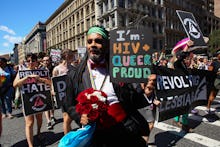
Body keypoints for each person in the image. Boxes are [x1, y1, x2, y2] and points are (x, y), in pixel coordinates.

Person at [64, 25, 151, 146]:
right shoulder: (74, 75)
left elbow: (133, 100)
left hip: (124, 130)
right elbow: (68, 104)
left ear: (106, 44)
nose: (93, 44)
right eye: (89, 41)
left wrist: (146, 93)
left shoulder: (121, 68)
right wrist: (80, 117)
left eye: (98, 41)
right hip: (95, 135)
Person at [13, 53, 51, 147]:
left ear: (36, 61)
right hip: (27, 99)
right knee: (29, 123)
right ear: (26, 62)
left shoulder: (42, 71)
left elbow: (50, 82)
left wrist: (40, 79)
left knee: (39, 119)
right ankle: (30, 145)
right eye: (28, 61)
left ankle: (38, 132)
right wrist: (25, 78)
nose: (30, 62)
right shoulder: (22, 71)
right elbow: (15, 84)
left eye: (33, 60)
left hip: (40, 97)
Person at [172, 38, 194, 133]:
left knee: (185, 106)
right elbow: (181, 56)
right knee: (184, 106)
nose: (187, 60)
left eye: (188, 58)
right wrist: (187, 47)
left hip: (186, 89)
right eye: (185, 58)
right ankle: (184, 124)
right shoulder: (177, 64)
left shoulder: (185, 66)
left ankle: (177, 120)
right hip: (180, 89)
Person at [52, 49, 75, 134]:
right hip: (63, 97)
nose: (73, 56)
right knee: (66, 117)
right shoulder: (57, 69)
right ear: (66, 56)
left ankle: (69, 133)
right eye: (71, 55)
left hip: (72, 96)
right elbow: (53, 82)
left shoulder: (73, 68)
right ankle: (67, 138)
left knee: (70, 117)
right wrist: (54, 91)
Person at [40, 55, 55, 130]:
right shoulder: (40, 69)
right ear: (42, 62)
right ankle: (48, 121)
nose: (46, 62)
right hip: (44, 89)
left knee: (52, 104)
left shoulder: (54, 68)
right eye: (44, 60)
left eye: (47, 60)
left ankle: (52, 115)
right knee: (46, 105)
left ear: (50, 61)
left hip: (53, 88)